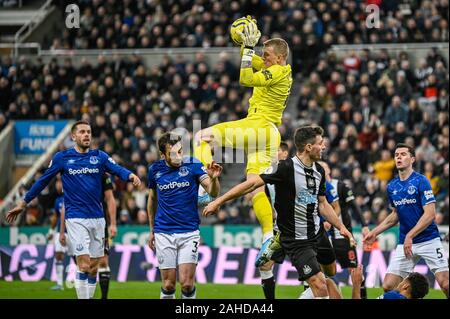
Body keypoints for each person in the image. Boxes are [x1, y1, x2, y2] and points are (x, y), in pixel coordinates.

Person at [203, 126, 355, 299]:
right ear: (308, 147)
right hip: (296, 239)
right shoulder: (284, 168)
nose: (324, 147)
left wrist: (341, 227)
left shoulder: (318, 171)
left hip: (317, 233)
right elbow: (251, 184)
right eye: (320, 143)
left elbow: (323, 204)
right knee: (319, 286)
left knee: (330, 271)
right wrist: (218, 201)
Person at [194, 19, 293, 266]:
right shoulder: (275, 67)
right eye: (263, 53)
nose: (264, 57)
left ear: (280, 58)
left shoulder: (279, 70)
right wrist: (246, 43)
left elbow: (245, 77)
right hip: (269, 134)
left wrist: (249, 51)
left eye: (267, 55)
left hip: (259, 125)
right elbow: (248, 58)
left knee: (201, 136)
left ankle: (205, 185)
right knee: (255, 187)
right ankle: (269, 236)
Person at [6, 120, 141, 299]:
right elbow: (43, 180)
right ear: (73, 136)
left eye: (89, 132)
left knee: (93, 268)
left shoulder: (99, 157)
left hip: (98, 219)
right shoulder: (62, 158)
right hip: (76, 218)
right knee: (83, 265)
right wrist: (24, 202)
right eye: (82, 132)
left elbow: (116, 169)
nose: (86, 135)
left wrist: (130, 175)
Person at [364, 143, 449, 298]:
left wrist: (410, 235)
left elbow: (430, 214)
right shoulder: (392, 186)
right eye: (396, 155)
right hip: (405, 243)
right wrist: (374, 232)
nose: (399, 157)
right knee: (389, 286)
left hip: (428, 240)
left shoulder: (421, 181)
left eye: (403, 154)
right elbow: (395, 214)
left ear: (412, 159)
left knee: (446, 284)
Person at [147, 132, 222, 299]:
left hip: (189, 232)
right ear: (162, 155)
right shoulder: (154, 170)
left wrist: (214, 179)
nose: (178, 156)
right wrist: (152, 230)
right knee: (168, 284)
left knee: (187, 284)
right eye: (173, 153)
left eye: (180, 151)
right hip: (163, 232)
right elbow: (152, 200)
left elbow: (213, 192)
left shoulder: (193, 164)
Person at [319, 161, 370, 298]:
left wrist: (364, 225)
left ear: (329, 170)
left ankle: (362, 296)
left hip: (343, 236)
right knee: (324, 272)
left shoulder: (340, 186)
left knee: (355, 270)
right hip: (327, 237)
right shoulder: (316, 187)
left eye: (324, 167)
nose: (321, 170)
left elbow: (354, 206)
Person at [47, 179, 73, 290]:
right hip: (60, 231)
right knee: (58, 256)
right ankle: (59, 284)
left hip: (73, 232)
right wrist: (51, 232)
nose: (58, 185)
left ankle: (80, 279)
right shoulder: (57, 200)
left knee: (77, 257)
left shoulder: (74, 197)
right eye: (57, 183)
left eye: (60, 182)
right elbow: (55, 217)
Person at [350, 264, 430, 299]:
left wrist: (356, 284)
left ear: (406, 286)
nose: (400, 282)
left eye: (402, 281)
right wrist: (362, 284)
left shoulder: (393, 296)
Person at [98, 174, 117, 299]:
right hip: (79, 223)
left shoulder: (103, 176)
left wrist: (113, 224)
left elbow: (110, 199)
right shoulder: (75, 172)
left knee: (103, 261)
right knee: (85, 265)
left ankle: (104, 297)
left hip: (100, 224)